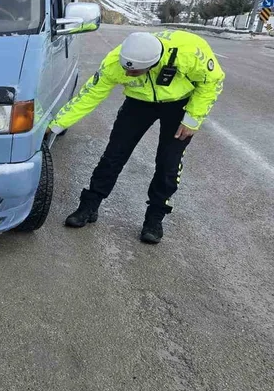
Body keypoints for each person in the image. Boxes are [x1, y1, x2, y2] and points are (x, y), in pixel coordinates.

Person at [47, 30, 225, 244]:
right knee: (114, 154)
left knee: (168, 162)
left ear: (153, 64)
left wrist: (192, 119)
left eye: (134, 72)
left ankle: (154, 218)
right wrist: (55, 125)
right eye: (126, 69)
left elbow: (212, 82)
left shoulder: (189, 52)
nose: (127, 74)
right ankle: (89, 205)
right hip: (138, 103)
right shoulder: (115, 62)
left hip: (179, 104)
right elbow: (89, 96)